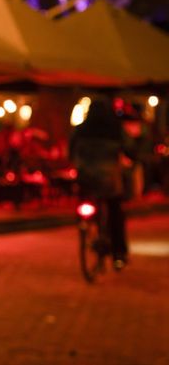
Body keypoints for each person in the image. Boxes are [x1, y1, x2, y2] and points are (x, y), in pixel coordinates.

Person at [69, 99, 130, 268]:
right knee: (115, 213)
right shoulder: (115, 129)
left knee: (83, 201)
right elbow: (130, 149)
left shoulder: (81, 128)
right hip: (109, 180)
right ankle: (119, 253)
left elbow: (71, 150)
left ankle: (84, 224)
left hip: (86, 179)